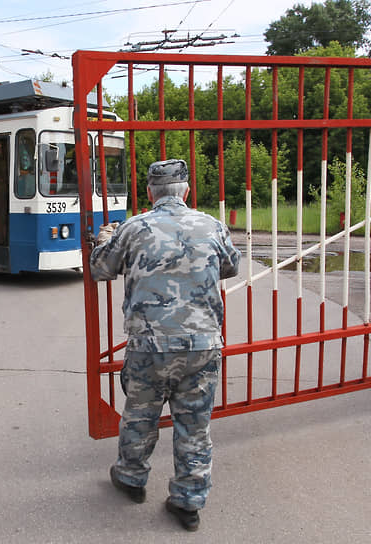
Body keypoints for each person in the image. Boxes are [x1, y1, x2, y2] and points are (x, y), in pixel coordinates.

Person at [89, 159, 241, 532]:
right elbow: (231, 266)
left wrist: (106, 238)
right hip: (202, 344)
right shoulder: (212, 225)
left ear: (150, 193)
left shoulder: (133, 228)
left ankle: (130, 478)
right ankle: (188, 501)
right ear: (186, 191)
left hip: (149, 346)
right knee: (195, 424)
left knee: (140, 414)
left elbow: (100, 269)